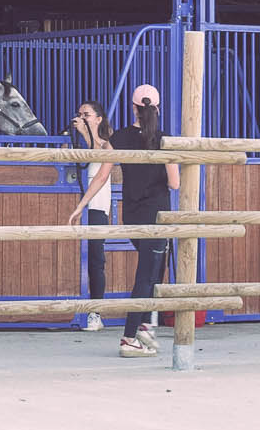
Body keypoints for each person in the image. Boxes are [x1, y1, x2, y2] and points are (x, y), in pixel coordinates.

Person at [108, 82, 181, 358]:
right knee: (146, 274)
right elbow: (174, 184)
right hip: (157, 214)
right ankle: (129, 337)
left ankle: (144, 326)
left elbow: (102, 167)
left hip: (132, 214)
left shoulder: (121, 137)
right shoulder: (165, 139)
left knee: (152, 269)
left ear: (134, 108)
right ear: (157, 108)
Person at [66, 99, 116, 331]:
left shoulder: (107, 144)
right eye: (80, 114)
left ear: (98, 119)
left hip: (96, 207)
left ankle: (95, 313)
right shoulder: (81, 143)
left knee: (96, 260)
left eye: (86, 114)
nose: (82, 118)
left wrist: (87, 134)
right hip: (78, 205)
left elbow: (101, 164)